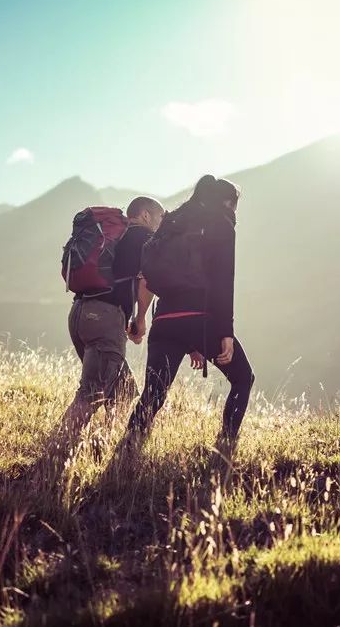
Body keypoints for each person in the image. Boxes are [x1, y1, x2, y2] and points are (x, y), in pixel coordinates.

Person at [123, 175, 254, 467]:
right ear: (228, 202)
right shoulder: (220, 222)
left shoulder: (173, 221)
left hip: (165, 320)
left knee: (153, 394)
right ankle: (225, 450)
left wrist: (181, 335)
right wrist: (225, 332)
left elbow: (157, 277)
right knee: (243, 379)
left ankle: (125, 453)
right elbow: (222, 281)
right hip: (201, 319)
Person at [58, 196, 165, 443]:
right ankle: (51, 459)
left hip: (80, 312)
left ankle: (103, 448)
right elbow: (145, 281)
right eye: (158, 218)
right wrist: (140, 319)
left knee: (123, 391)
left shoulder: (115, 236)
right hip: (105, 317)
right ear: (146, 215)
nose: (160, 224)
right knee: (91, 393)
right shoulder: (142, 237)